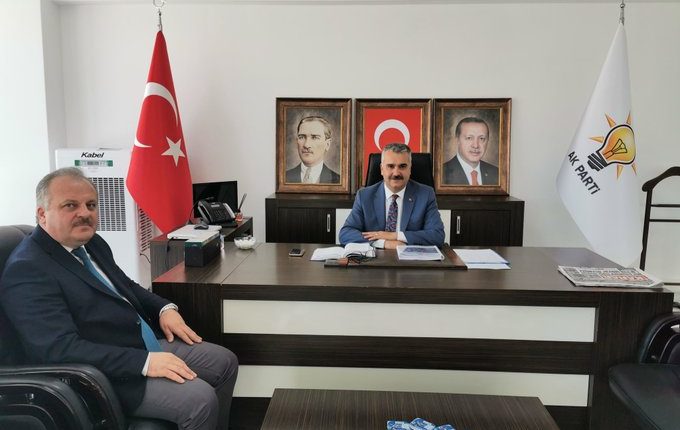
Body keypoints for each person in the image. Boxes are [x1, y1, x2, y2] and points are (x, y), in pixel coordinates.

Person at [0, 167, 238, 430]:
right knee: (199, 400)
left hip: (137, 341)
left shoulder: (91, 243)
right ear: (42, 214)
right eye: (70, 205)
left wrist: (164, 309)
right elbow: (59, 349)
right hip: (103, 375)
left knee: (224, 362)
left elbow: (125, 286)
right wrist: (144, 362)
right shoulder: (28, 268)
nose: (84, 213)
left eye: (91, 205)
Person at [339, 143, 444, 249]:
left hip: (411, 257)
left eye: (402, 166)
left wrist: (396, 236)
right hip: (376, 256)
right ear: (381, 169)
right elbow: (346, 234)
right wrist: (384, 243)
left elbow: (437, 236)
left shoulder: (425, 195)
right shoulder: (364, 196)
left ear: (410, 169)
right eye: (390, 166)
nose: (396, 173)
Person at [442, 117, 499, 185]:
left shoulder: (497, 173)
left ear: (487, 141)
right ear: (457, 140)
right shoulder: (441, 173)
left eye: (481, 138)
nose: (476, 145)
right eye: (469, 138)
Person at [285, 116, 340, 184]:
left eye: (314, 137)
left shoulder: (338, 181)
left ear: (327, 144)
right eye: (301, 137)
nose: (306, 145)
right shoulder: (283, 178)